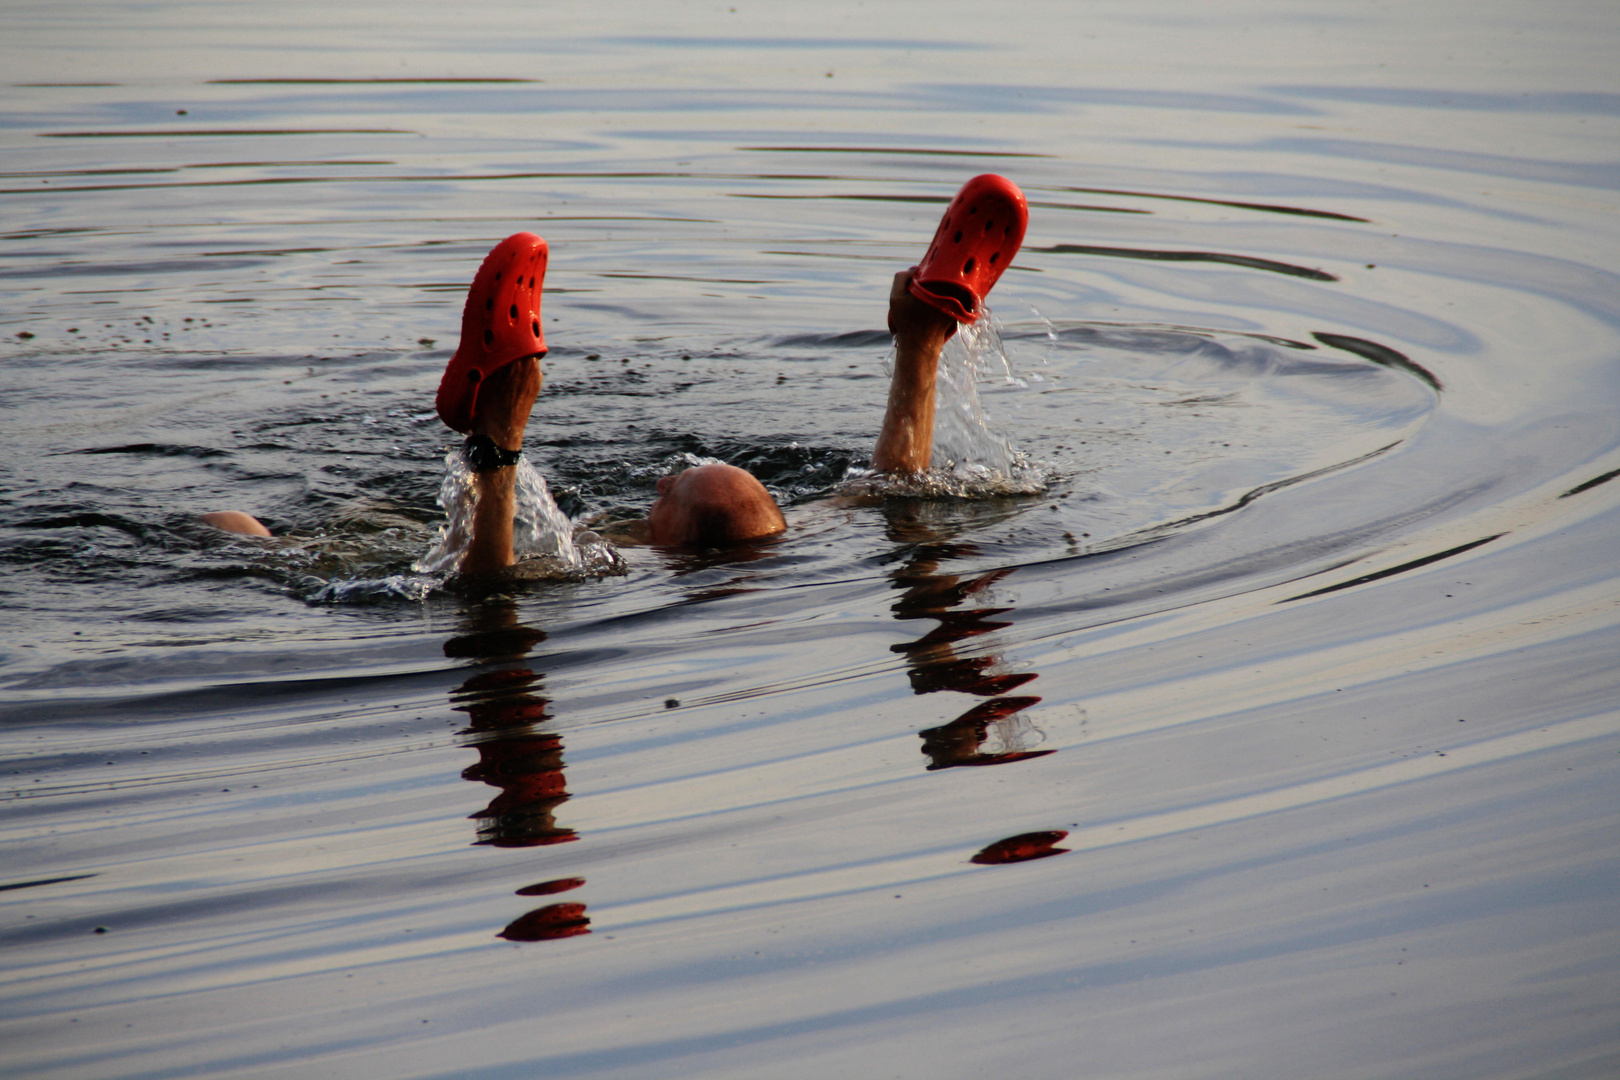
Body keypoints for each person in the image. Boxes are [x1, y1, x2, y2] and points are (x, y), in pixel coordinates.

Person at [204, 174, 1028, 577]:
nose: (662, 475)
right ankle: (925, 330)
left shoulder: (619, 566)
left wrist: (504, 440)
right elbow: (896, 483)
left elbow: (489, 594)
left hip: (459, 542)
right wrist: (919, 352)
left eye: (672, 489)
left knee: (237, 528)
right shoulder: (787, 536)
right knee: (898, 505)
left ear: (671, 540)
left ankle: (497, 416)